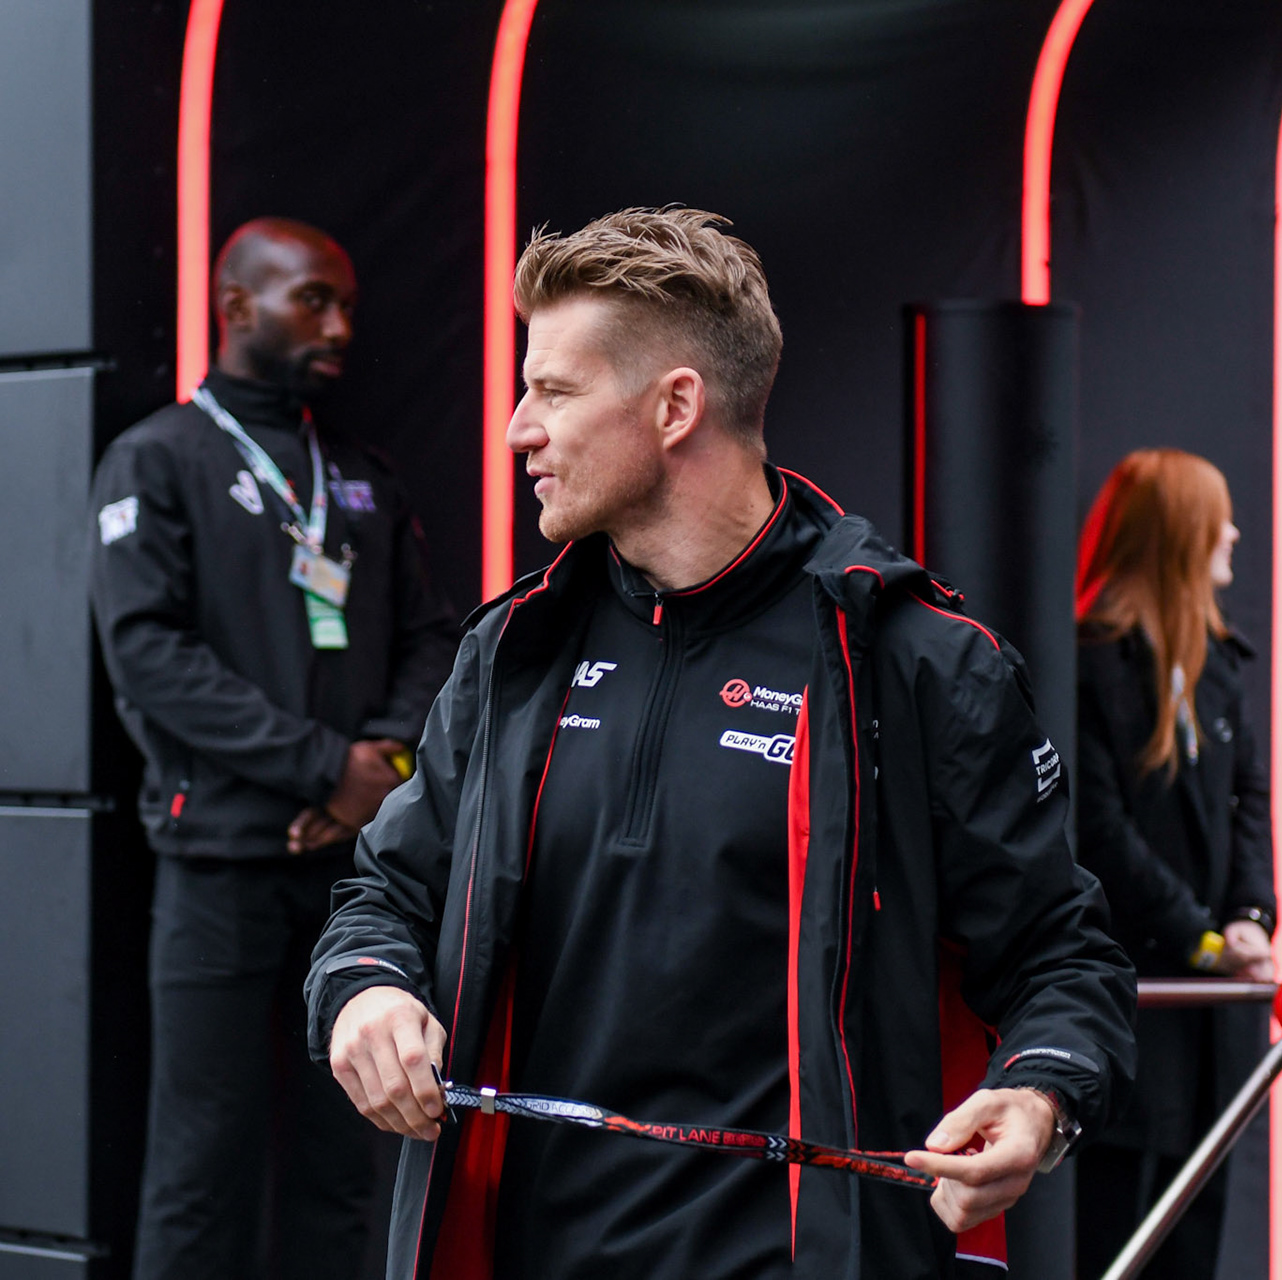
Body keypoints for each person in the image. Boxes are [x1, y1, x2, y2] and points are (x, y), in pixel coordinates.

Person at [305, 207, 1135, 1279]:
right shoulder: (514, 650)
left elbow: (1063, 953)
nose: (519, 427)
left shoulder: (916, 657)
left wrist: (1040, 1094)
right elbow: (383, 894)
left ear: (675, 406)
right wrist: (366, 989)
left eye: (553, 391)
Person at [90, 216, 461, 1280]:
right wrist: (320, 765)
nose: (340, 324)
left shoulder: (359, 472)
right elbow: (148, 655)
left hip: (353, 880)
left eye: (346, 304)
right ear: (237, 305)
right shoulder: (156, 459)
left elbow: (433, 634)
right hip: (218, 870)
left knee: (346, 1165)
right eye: (314, 300)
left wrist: (378, 770)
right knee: (201, 1164)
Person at [1071, 449, 1275, 1279]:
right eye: (1216, 517)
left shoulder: (1220, 666)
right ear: (1178, 535)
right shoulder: (1086, 661)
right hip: (1131, 1010)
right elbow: (1100, 830)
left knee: (1198, 1232)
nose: (1233, 533)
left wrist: (1249, 920)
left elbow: (1250, 803)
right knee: (1112, 1231)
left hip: (1211, 1027)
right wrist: (1201, 940)